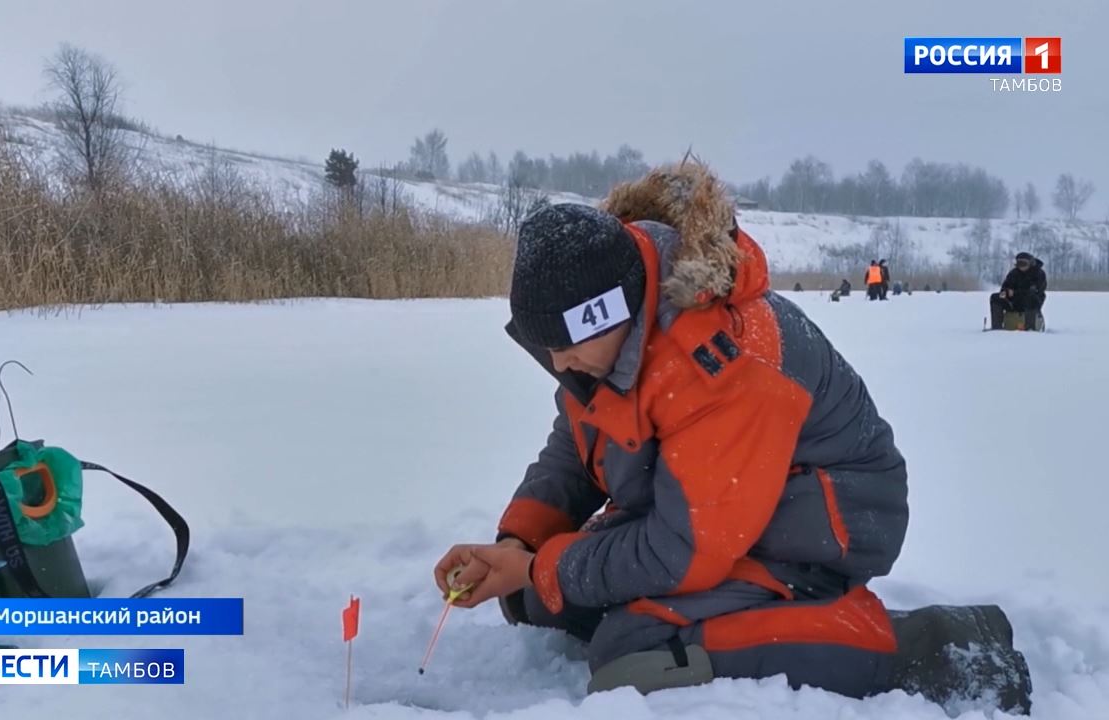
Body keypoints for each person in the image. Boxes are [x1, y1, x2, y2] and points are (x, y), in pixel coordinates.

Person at [433, 161, 1032, 713]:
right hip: (715, 504)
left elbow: (678, 550)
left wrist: (544, 568)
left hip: (824, 520)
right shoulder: (600, 334)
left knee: (636, 654)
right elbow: (576, 438)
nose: (559, 366)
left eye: (565, 349)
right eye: (547, 352)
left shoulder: (721, 360)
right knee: (537, 600)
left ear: (611, 313)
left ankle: (924, 646)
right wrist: (518, 543)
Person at [990, 252, 1046, 330]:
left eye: (1023, 263)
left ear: (1030, 263)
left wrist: (1015, 293)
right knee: (995, 297)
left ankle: (1030, 328)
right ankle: (996, 328)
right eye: (1019, 263)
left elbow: (1036, 291)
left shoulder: (1039, 274)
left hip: (1032, 303)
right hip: (1014, 302)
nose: (1021, 266)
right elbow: (1004, 288)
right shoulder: (1013, 273)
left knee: (1031, 297)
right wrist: (1006, 292)